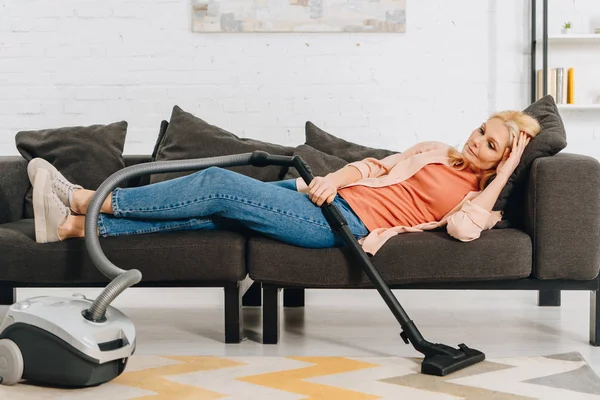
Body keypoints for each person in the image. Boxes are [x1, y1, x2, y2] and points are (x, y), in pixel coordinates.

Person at [28, 110, 540, 255]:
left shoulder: (480, 200)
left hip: (344, 225)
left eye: (492, 145)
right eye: (481, 130)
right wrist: (336, 176)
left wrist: (507, 170)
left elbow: (464, 231)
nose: (477, 142)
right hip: (326, 197)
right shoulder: (434, 150)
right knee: (213, 213)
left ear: (503, 161)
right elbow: (377, 167)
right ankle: (74, 229)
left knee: (217, 181)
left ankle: (84, 197)